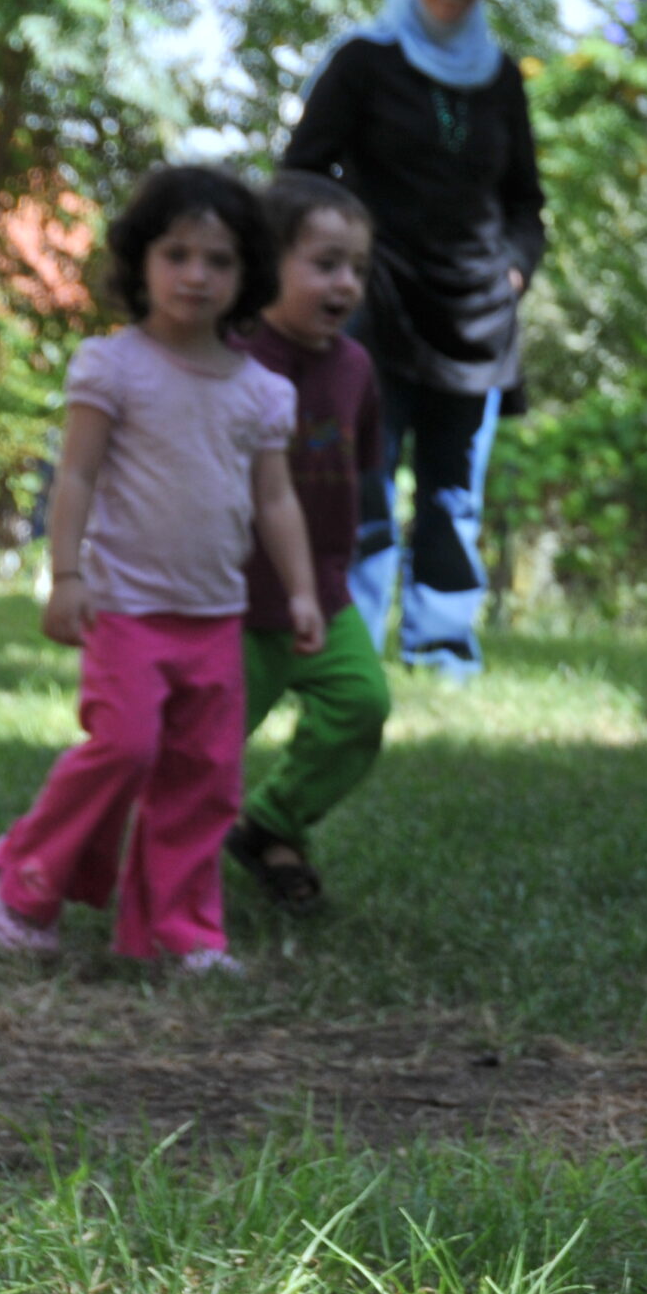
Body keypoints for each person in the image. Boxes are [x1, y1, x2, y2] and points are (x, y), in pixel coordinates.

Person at [0, 166, 321, 972]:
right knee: (125, 749)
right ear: (141, 262)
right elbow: (77, 477)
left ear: (249, 277)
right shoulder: (113, 367)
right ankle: (24, 870)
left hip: (215, 615)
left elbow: (275, 501)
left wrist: (303, 591)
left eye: (219, 260)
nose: (196, 275)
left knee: (205, 779)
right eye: (177, 254)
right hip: (126, 607)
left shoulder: (262, 392)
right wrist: (67, 577)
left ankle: (178, 931)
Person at [285, 0, 544, 680]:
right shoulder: (365, 61)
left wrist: (515, 269)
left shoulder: (498, 76)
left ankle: (440, 648)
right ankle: (349, 648)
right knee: (358, 479)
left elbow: (526, 199)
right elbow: (299, 173)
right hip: (375, 305)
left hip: (476, 315)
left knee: (454, 496)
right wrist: (336, 264)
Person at [223, 173, 391, 914]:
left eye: (357, 266)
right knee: (204, 750)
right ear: (267, 260)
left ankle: (270, 823)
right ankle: (152, 863)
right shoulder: (230, 357)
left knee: (361, 703)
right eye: (325, 263)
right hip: (230, 597)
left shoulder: (355, 368)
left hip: (322, 591)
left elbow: (360, 466)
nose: (346, 282)